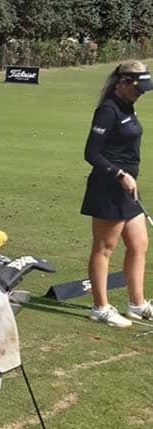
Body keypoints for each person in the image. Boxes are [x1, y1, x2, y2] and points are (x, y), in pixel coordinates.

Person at [81, 60, 153, 327]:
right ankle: (100, 307)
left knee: (138, 244)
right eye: (138, 88)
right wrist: (120, 174)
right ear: (123, 83)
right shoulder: (108, 110)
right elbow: (91, 153)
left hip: (127, 188)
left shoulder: (127, 106)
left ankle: (137, 304)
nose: (142, 93)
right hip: (108, 188)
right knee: (104, 248)